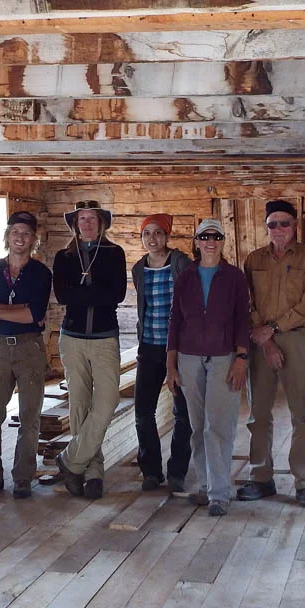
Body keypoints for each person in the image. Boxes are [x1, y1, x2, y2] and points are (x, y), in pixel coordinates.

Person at [240, 198, 305, 507]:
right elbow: (247, 304)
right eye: (272, 224)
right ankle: (260, 477)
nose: (278, 229)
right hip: (261, 341)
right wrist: (265, 340)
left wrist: (272, 330)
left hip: (297, 339)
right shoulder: (253, 260)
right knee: (258, 413)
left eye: (284, 223)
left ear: (295, 225)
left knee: (300, 411)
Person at [166, 218, 250, 517]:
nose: (210, 241)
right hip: (189, 358)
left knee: (219, 425)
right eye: (205, 236)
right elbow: (175, 320)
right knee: (197, 426)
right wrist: (171, 363)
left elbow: (243, 319)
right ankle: (204, 484)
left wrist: (241, 359)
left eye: (216, 236)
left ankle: (220, 492)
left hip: (223, 357)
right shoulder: (185, 277)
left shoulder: (234, 277)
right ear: (197, 241)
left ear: (223, 240)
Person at [51, 200, 128, 501]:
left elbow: (117, 294)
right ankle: (92, 472)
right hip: (72, 338)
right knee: (80, 405)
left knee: (107, 400)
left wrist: (82, 294)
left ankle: (70, 460)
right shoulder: (64, 257)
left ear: (102, 223)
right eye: (82, 219)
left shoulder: (114, 254)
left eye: (92, 218)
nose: (87, 224)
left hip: (104, 337)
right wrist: (95, 294)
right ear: (75, 224)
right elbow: (63, 294)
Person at [0, 211, 54, 499]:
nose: (20, 237)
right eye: (15, 232)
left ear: (33, 240)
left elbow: (33, 315)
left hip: (30, 347)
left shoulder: (41, 273)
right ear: (7, 236)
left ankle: (22, 478)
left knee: (29, 416)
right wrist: (12, 312)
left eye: (26, 233)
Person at [130, 214, 193, 492]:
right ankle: (151, 471)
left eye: (157, 233)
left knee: (183, 413)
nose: (152, 239)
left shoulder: (181, 264)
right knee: (143, 411)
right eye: (147, 234)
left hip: (179, 349)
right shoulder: (138, 269)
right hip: (149, 347)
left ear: (167, 236)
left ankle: (177, 470)